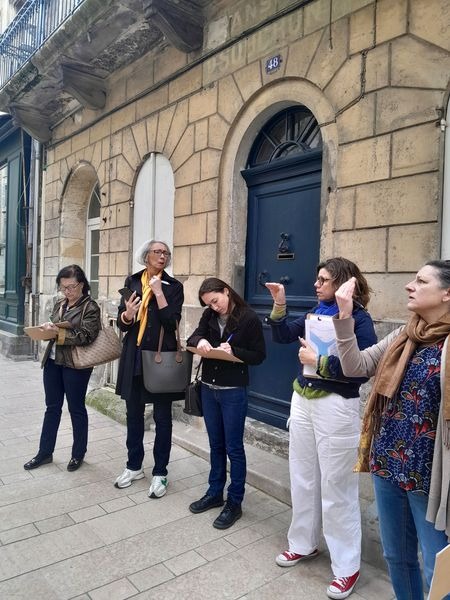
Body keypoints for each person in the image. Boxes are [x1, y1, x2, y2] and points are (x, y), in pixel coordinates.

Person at [333, 260, 450, 600]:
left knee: (437, 568)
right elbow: (355, 365)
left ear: (446, 293)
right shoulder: (406, 334)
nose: (409, 286)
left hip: (431, 477)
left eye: (420, 281)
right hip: (387, 464)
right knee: (396, 557)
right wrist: (344, 317)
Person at [265, 257, 377, 600]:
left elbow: (363, 369)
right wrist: (280, 303)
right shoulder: (316, 311)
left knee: (336, 486)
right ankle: (303, 543)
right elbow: (283, 335)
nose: (316, 284)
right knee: (302, 476)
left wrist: (321, 363)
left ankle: (347, 567)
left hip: (336, 407)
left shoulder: (359, 319)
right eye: (317, 279)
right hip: (302, 401)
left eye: (324, 280)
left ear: (343, 282)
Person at [186, 278, 266, 529]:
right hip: (209, 389)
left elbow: (259, 356)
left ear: (226, 292)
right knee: (215, 444)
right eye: (209, 304)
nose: (214, 306)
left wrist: (235, 352)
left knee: (234, 447)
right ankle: (214, 492)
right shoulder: (209, 316)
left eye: (216, 300)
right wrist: (200, 341)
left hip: (233, 391)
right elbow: (194, 335)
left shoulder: (248, 318)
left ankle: (235, 501)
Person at [114, 240, 184, 499]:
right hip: (134, 355)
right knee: (133, 414)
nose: (163, 256)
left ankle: (160, 472)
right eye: (158, 252)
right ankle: (133, 466)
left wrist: (160, 294)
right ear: (146, 256)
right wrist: (127, 316)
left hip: (159, 358)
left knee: (163, 418)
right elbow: (123, 323)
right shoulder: (132, 282)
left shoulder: (174, 287)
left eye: (166, 253)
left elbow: (171, 321)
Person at [24, 264, 101, 472]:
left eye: (71, 287)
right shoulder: (60, 303)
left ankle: (78, 454)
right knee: (52, 408)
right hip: (52, 361)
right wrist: (47, 328)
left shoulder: (90, 307)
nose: (67, 291)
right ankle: (44, 453)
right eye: (63, 287)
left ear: (82, 285)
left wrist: (58, 333)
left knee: (76, 408)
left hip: (75, 365)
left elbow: (87, 336)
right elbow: (54, 325)